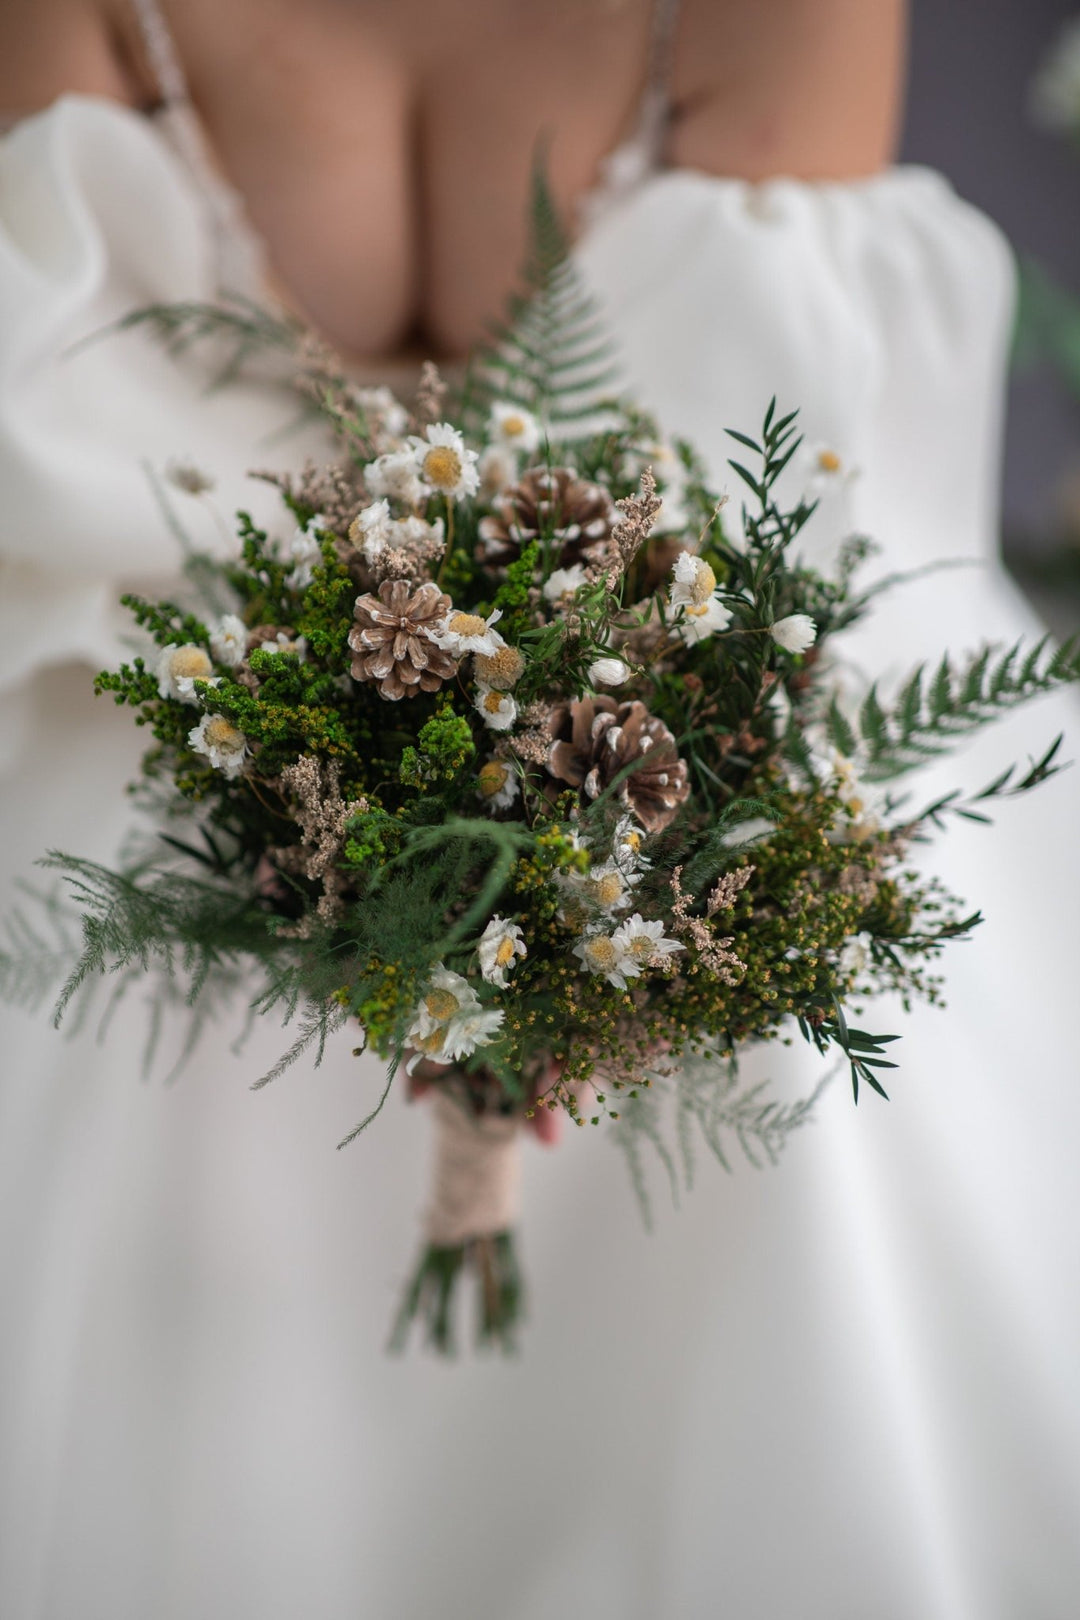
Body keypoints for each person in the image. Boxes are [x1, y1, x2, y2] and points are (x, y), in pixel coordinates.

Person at [1, 3, 1078, 1617]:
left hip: (222, 707)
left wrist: (378, 746)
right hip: (548, 744)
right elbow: (813, 453)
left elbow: (52, 421)